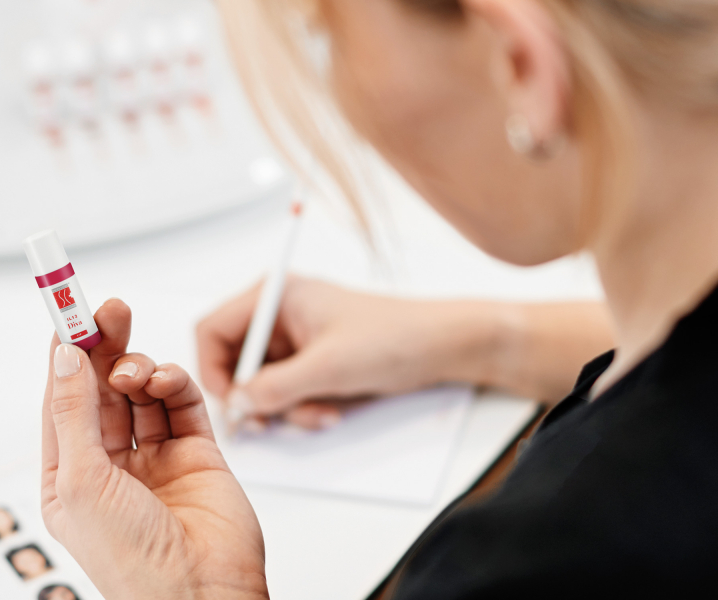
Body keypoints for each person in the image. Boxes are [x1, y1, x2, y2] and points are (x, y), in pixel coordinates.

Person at [38, 0, 718, 598]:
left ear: (520, 65)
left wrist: (193, 592)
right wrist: (478, 338)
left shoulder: (539, 565)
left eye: (328, 36)